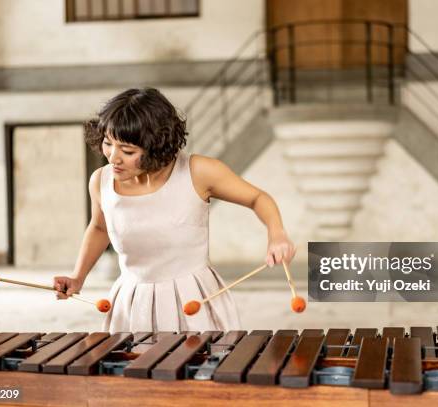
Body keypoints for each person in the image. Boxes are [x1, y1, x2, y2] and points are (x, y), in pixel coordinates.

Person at [53, 87, 296, 332]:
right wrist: (78, 277)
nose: (113, 157)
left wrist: (277, 235)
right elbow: (99, 226)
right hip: (131, 300)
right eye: (108, 143)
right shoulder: (101, 180)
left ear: (155, 146)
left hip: (193, 299)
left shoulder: (198, 171)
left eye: (127, 151)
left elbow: (258, 198)